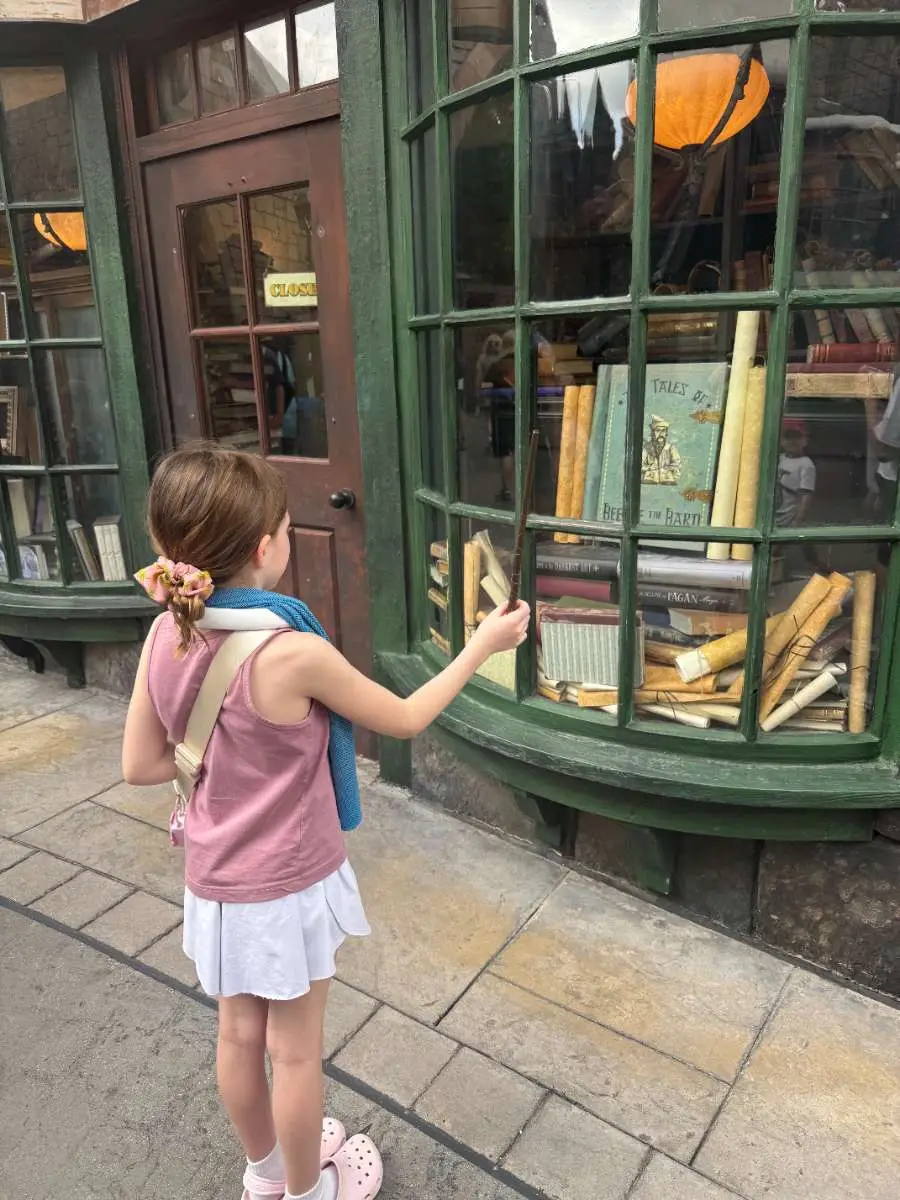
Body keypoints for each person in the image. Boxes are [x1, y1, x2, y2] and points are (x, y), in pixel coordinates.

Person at [122, 444, 530, 1200]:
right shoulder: (291, 653)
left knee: (237, 1036)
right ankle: (312, 1193)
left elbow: (141, 765)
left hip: (214, 881)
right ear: (263, 548)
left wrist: (219, 764)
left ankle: (266, 1174)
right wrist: (480, 645)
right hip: (286, 885)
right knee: (295, 1054)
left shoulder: (166, 632)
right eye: (284, 529)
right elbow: (404, 718)